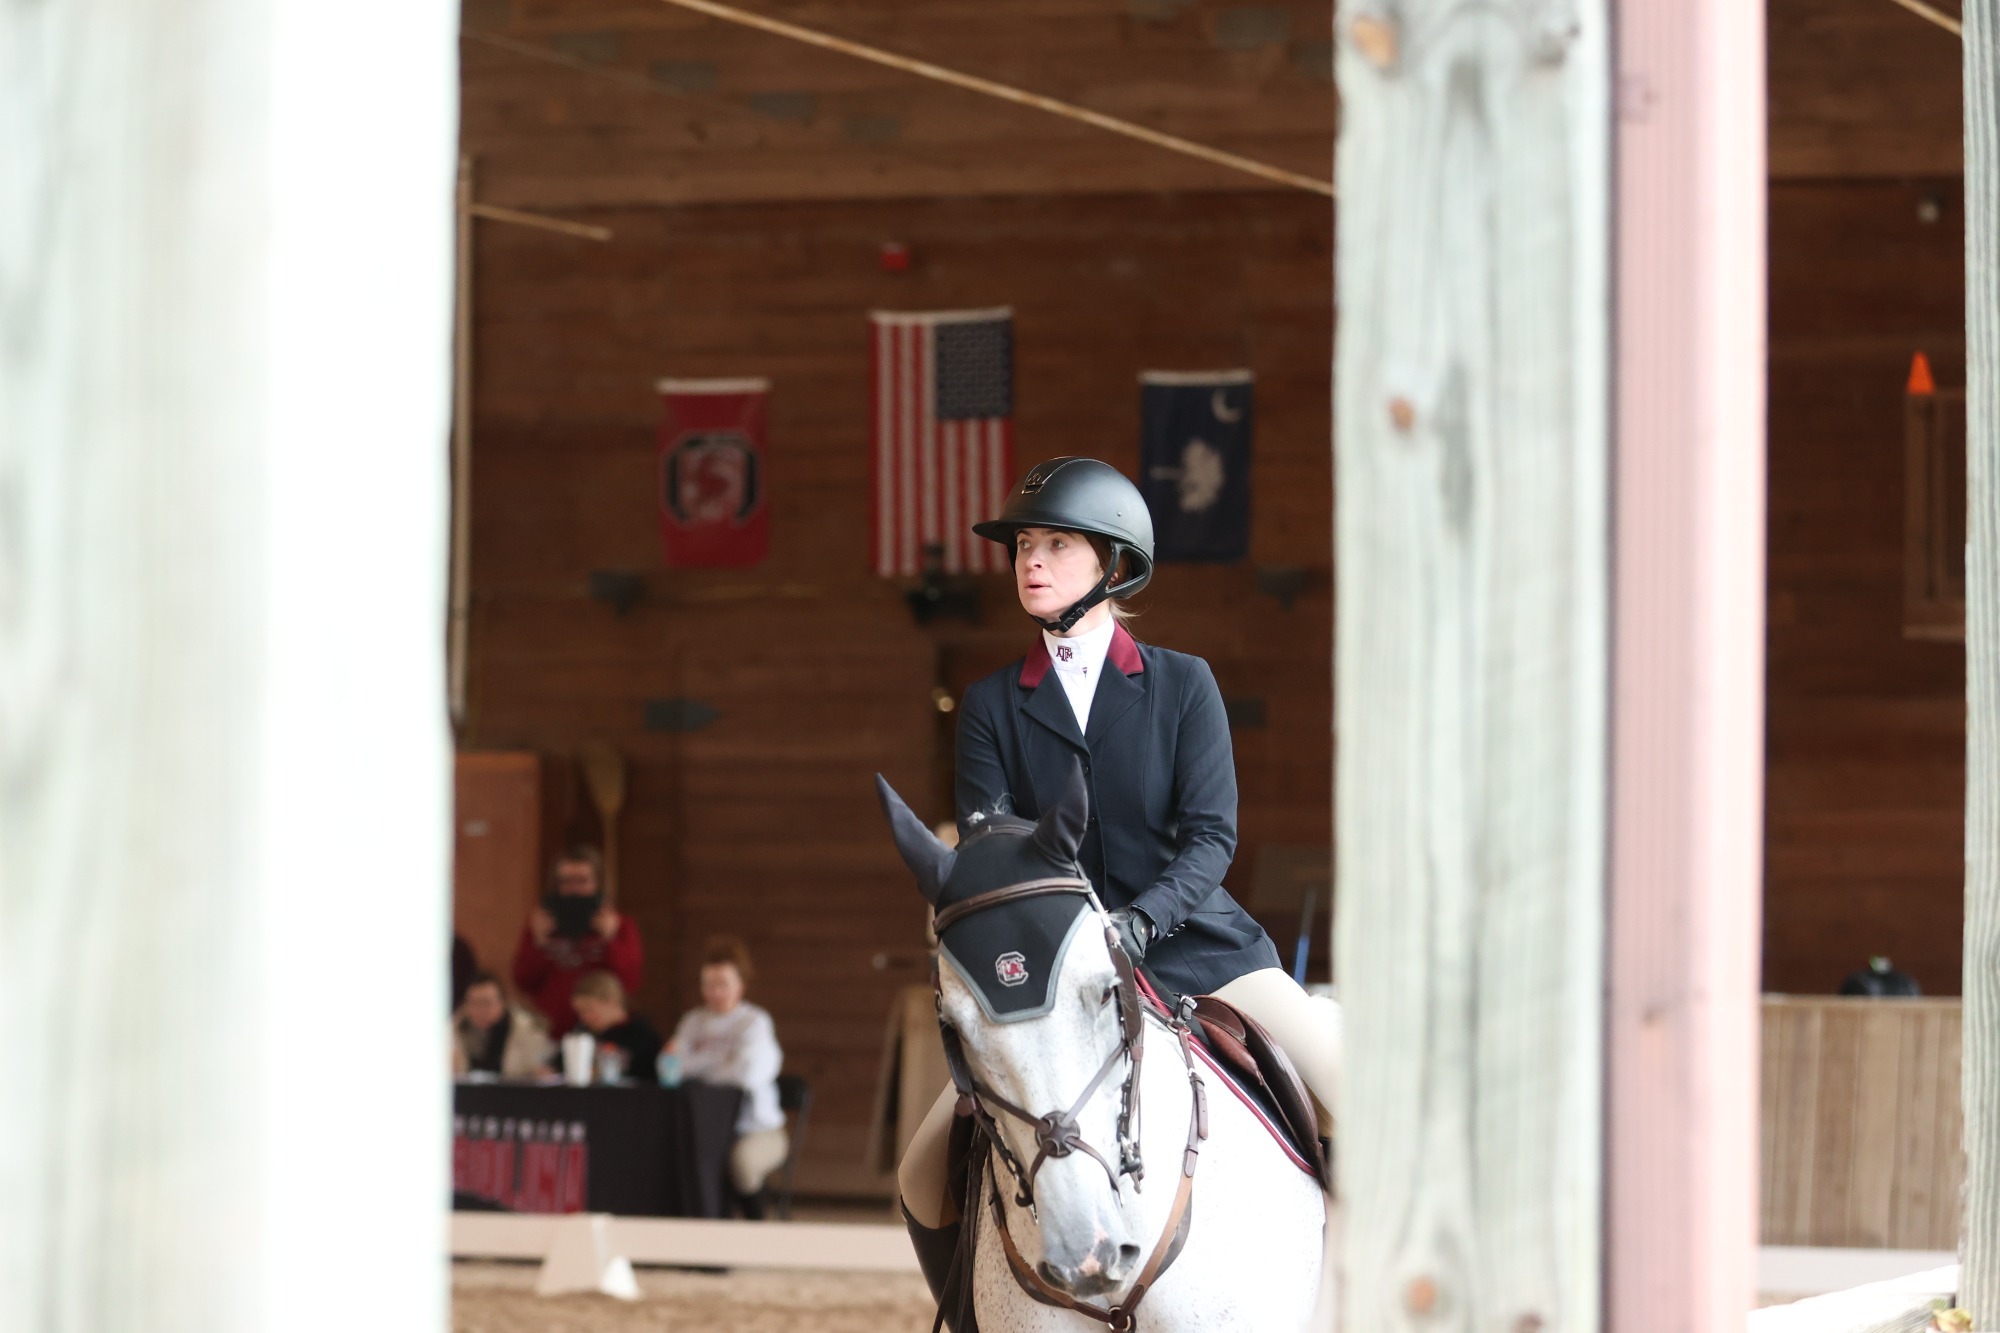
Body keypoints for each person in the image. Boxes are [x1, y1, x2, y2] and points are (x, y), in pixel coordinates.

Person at [898, 456, 1343, 1311]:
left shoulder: (1183, 683)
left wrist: (1140, 921)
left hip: (1202, 951)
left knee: (1353, 1090)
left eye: (1056, 544)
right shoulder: (991, 704)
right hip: (1060, 979)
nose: (1031, 560)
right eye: (1024, 546)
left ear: (1113, 562)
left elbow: (1212, 837)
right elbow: (993, 851)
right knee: (923, 1175)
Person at [668, 936, 788, 1219]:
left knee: (741, 1163)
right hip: (704, 1129)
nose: (714, 992)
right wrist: (723, 1063)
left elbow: (747, 1074)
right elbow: (671, 1069)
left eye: (722, 984)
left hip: (757, 1130)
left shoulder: (754, 1022)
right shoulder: (693, 1021)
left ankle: (757, 1227)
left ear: (740, 985)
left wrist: (697, 1065)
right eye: (708, 984)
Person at [512, 845, 643, 1036]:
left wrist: (611, 940)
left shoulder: (620, 925)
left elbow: (629, 982)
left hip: (605, 1031)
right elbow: (523, 982)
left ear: (597, 883)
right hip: (551, 1030)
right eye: (566, 882)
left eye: (582, 881)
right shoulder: (541, 925)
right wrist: (539, 943)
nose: (574, 889)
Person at [450, 971, 553, 1080]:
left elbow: (539, 1071)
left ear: (502, 1002)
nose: (480, 1010)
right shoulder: (453, 1031)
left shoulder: (528, 1032)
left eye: (486, 1003)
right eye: (474, 1003)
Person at [570, 969, 665, 1079]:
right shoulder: (582, 1034)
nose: (584, 1017)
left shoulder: (643, 1036)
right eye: (580, 1012)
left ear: (611, 1001)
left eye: (588, 1010)